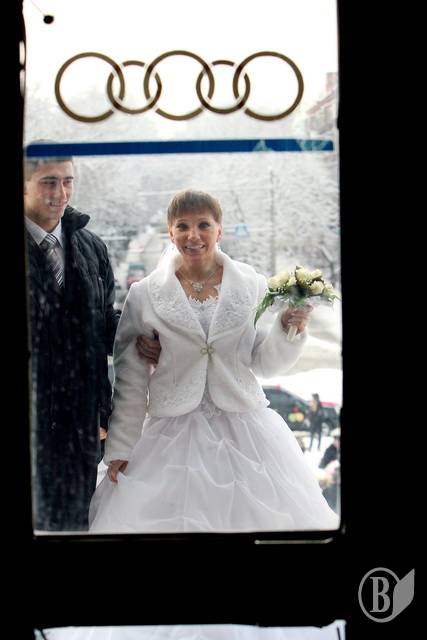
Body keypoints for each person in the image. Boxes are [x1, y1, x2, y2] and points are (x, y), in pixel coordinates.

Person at [89, 189, 339, 532]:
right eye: (182, 226)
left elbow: (264, 363)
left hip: (247, 432)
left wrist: (287, 329)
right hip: (171, 433)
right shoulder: (144, 294)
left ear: (219, 230)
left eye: (203, 225)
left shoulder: (251, 285)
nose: (193, 235)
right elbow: (131, 377)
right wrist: (121, 446)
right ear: (170, 232)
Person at [24, 146, 160, 531]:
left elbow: (104, 322)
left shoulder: (91, 246)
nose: (61, 192)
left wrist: (148, 336)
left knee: (74, 528)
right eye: (49, 182)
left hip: (82, 425)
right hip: (33, 420)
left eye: (68, 181)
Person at [318, 428, 341, 513]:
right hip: (331, 481)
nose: (337, 442)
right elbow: (322, 464)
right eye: (336, 439)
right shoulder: (330, 450)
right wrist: (330, 465)